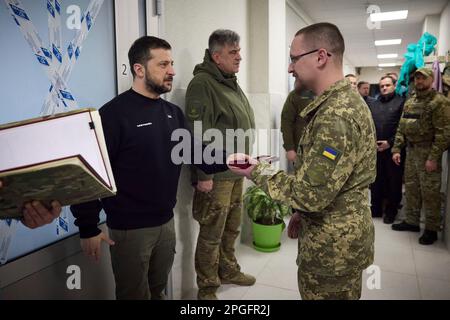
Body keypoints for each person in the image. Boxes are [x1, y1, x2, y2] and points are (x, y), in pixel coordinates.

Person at [70, 36, 227, 300]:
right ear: (139, 69)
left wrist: (233, 160)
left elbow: (196, 153)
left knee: (157, 292)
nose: (172, 71)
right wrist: (88, 226)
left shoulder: (172, 113)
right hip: (130, 230)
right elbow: (87, 174)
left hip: (165, 224)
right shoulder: (112, 115)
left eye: (172, 63)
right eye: (163, 64)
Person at [228, 22, 376, 300]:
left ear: (321, 57)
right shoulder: (340, 103)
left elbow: (310, 194)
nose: (289, 68)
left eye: (294, 59)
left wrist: (254, 169)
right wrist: (302, 213)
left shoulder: (336, 115)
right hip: (338, 237)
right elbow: (326, 184)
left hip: (332, 250)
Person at [185, 29, 256, 300]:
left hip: (235, 171)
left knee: (231, 227)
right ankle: (207, 288)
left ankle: (228, 270)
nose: (240, 57)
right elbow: (196, 132)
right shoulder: (203, 84)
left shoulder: (229, 81)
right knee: (212, 231)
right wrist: (203, 173)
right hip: (216, 174)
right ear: (217, 56)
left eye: (239, 50)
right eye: (233, 52)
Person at [391, 67, 450, 245]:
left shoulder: (439, 102)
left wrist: (433, 157)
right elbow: (402, 127)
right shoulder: (410, 101)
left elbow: (444, 133)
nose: (419, 82)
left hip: (428, 152)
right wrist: (396, 149)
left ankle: (431, 228)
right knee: (411, 188)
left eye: (423, 78)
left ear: (431, 79)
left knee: (430, 192)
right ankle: (412, 221)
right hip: (411, 151)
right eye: (416, 79)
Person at [368, 75, 405, 224]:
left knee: (393, 182)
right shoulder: (374, 104)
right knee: (376, 180)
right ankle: (375, 208)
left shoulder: (402, 103)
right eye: (382, 86)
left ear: (394, 86)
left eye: (387, 85)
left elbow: (403, 128)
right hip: (375, 149)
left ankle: (391, 211)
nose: (384, 88)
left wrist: (390, 143)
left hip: (393, 150)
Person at [281, 79, 315, 167]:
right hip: (302, 149)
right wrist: (289, 148)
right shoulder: (296, 95)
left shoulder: (328, 93)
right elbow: (286, 122)